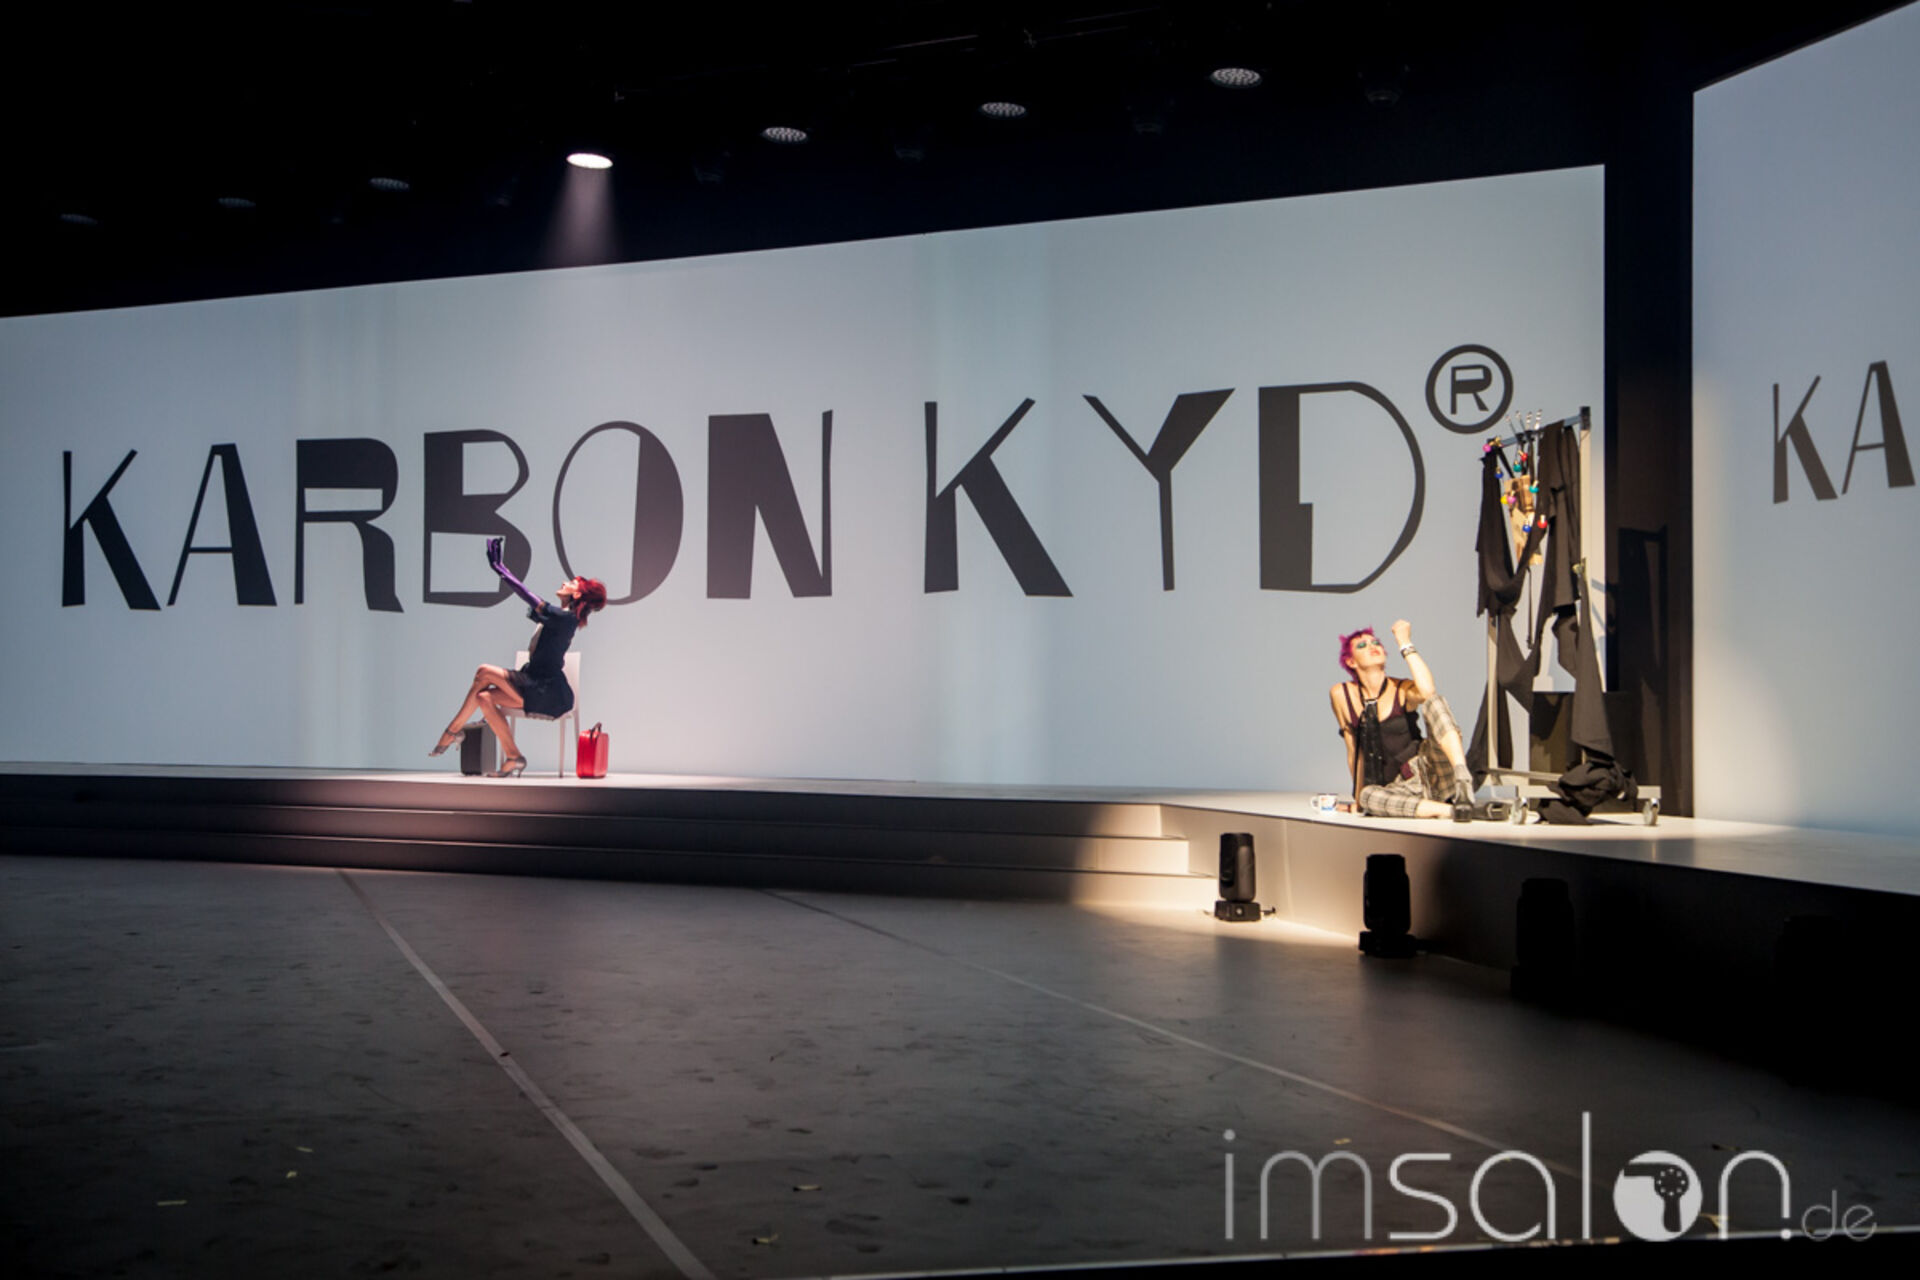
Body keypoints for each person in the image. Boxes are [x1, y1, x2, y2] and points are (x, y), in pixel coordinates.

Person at [430, 538, 607, 777]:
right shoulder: (560, 616)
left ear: (576, 593)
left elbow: (526, 594)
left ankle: (452, 731)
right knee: (483, 697)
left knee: (484, 671)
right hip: (533, 682)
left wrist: (501, 570)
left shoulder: (565, 619)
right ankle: (513, 757)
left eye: (571, 582)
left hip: (548, 692)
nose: (564, 583)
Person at [1327, 619, 1477, 818]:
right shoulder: (1341, 694)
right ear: (1351, 662)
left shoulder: (1401, 688)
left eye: (1376, 642)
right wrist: (1358, 800)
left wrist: (1405, 643)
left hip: (1433, 770)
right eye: (1362, 645)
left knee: (1434, 702)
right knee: (1367, 796)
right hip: (1402, 787)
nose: (1372, 646)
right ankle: (1453, 811)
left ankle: (1462, 776)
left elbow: (1427, 691)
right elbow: (1353, 750)